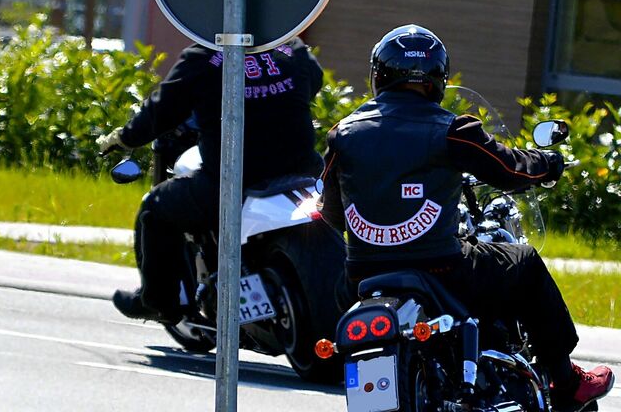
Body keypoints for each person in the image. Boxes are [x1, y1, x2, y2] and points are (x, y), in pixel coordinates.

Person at [317, 24, 614, 411]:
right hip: (442, 268)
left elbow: (332, 211)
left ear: (379, 76)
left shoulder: (343, 133)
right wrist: (549, 163)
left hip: (362, 275)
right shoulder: (451, 130)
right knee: (523, 262)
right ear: (438, 79)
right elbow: (511, 170)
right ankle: (564, 378)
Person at [99, 38, 324, 325]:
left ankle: (159, 303)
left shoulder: (204, 57)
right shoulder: (288, 46)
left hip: (233, 180)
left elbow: (161, 111)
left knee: (155, 208)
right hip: (304, 173)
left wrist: (124, 137)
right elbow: (313, 80)